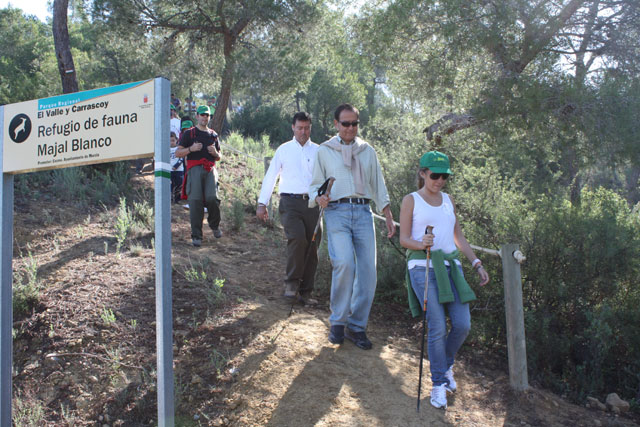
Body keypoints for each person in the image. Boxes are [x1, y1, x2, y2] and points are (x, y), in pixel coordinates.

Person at [398, 150, 490, 409]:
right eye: (435, 175)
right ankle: (438, 383)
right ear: (423, 173)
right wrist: (420, 242)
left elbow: (458, 236)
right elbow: (404, 239)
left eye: (444, 176)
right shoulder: (411, 200)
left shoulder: (448, 200)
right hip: (422, 266)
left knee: (462, 325)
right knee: (437, 326)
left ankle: (446, 364)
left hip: (452, 267)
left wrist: (476, 263)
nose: (439, 180)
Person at [309, 103, 395, 350]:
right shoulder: (325, 151)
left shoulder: (367, 151)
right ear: (336, 124)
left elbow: (378, 183)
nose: (350, 128)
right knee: (345, 262)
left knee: (369, 271)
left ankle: (356, 326)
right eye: (345, 123)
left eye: (354, 123)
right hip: (336, 211)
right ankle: (337, 322)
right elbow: (314, 184)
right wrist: (319, 197)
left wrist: (387, 214)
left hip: (363, 212)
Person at [256, 112, 320, 305]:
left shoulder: (318, 151)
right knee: (297, 238)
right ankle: (291, 284)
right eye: (300, 128)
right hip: (289, 203)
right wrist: (262, 203)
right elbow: (271, 176)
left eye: (307, 128)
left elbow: (326, 177)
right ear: (293, 127)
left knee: (312, 245)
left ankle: (306, 292)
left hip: (313, 204)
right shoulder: (284, 150)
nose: (303, 132)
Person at [175, 105, 223, 247]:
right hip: (194, 169)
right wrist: (191, 149)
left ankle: (214, 225)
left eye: (207, 115)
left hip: (210, 170)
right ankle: (196, 236)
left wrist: (215, 153)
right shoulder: (189, 134)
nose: (204, 117)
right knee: (195, 202)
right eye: (202, 114)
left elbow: (219, 156)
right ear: (197, 116)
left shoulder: (213, 135)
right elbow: (178, 153)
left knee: (212, 198)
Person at [169, 132, 184, 204]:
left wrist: (176, 166)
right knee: (170, 184)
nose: (171, 142)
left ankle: (178, 199)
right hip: (169, 170)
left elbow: (181, 158)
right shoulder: (165, 149)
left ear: (176, 140)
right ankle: (171, 198)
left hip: (179, 170)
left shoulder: (179, 148)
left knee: (179, 184)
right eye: (169, 141)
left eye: (173, 140)